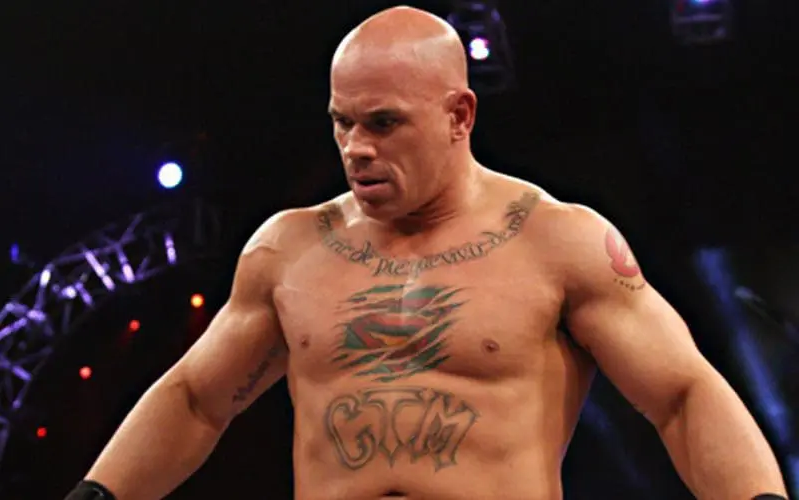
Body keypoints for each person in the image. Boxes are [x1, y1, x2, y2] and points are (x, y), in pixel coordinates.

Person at [66, 6, 788, 500]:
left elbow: (683, 396)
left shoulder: (556, 240)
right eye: (342, 123)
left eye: (383, 123)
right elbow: (195, 400)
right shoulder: (289, 249)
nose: (356, 148)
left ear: (458, 116)